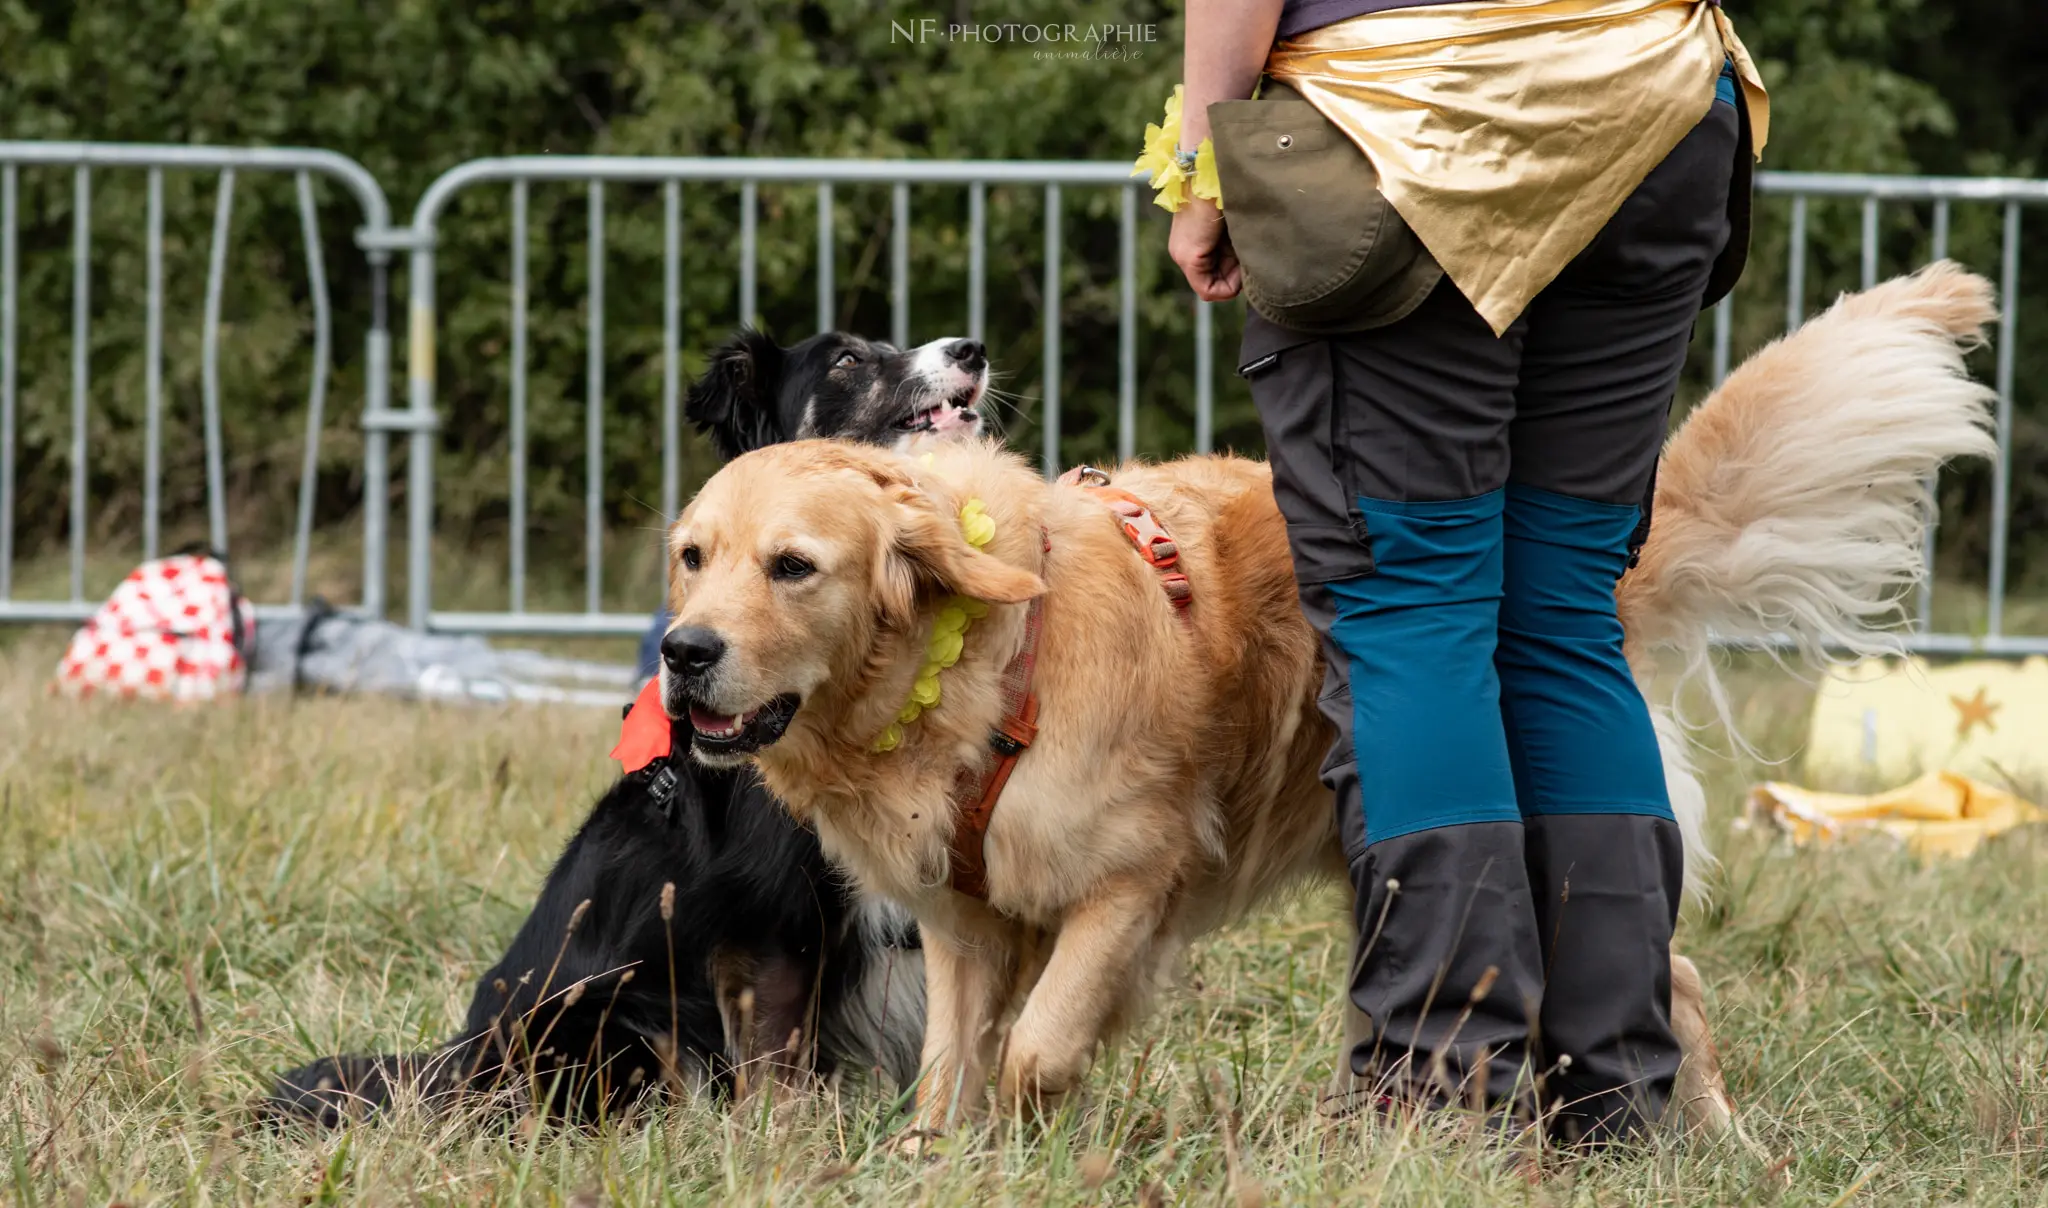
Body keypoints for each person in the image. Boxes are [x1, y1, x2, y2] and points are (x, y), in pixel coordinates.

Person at [1162, 0, 1766, 1143]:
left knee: (1412, 604)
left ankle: (1444, 1090)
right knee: (1561, 613)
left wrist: (1201, 160)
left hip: (1411, 118)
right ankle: (1615, 1093)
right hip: (1660, 104)